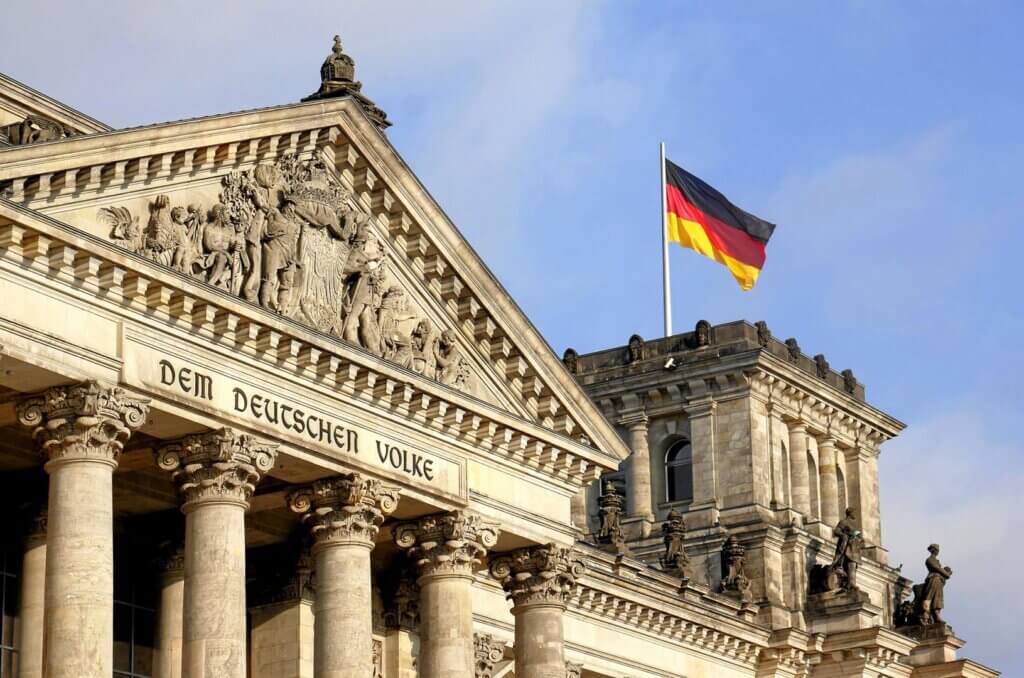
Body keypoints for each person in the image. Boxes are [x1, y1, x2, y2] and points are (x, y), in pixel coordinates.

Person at [918, 544, 952, 624]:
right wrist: (946, 574)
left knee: (938, 598)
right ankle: (925, 614)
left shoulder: (936, 561)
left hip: (938, 580)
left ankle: (937, 615)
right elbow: (936, 568)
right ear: (932, 550)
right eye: (936, 549)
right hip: (933, 579)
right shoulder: (930, 559)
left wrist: (946, 573)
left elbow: (939, 568)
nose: (937, 551)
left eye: (938, 550)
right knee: (929, 596)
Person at [831, 508, 862, 591]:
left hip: (855, 548)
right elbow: (836, 531)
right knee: (850, 564)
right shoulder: (844, 522)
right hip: (848, 547)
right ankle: (851, 584)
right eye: (854, 513)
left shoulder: (855, 525)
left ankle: (851, 584)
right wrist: (844, 535)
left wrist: (859, 537)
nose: (855, 515)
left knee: (853, 566)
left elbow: (859, 536)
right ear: (850, 513)